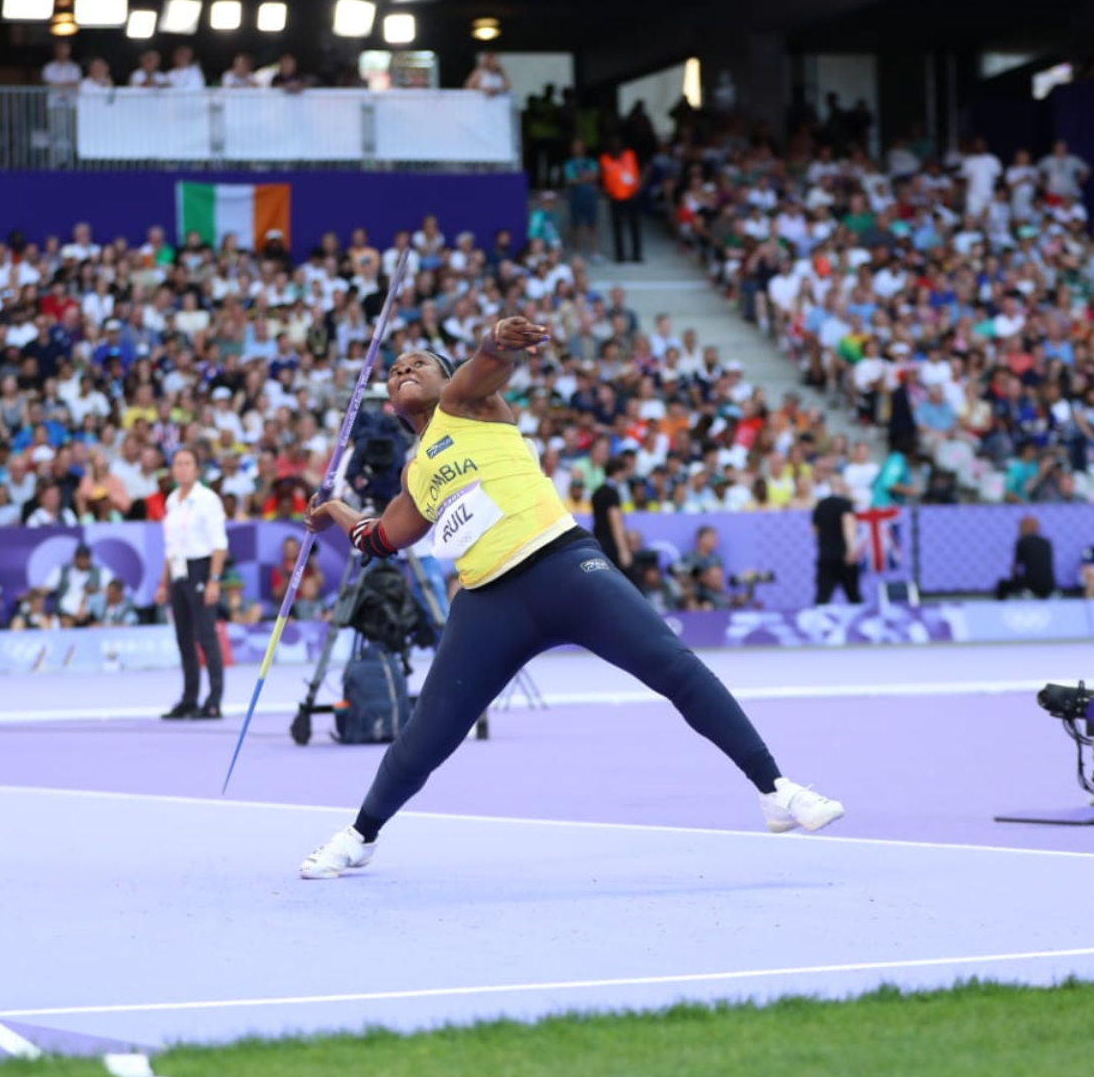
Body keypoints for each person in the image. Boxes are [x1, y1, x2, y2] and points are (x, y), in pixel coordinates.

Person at [297, 317, 843, 880]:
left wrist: (496, 341)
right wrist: (332, 511)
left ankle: (774, 789)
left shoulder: (468, 403)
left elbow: (490, 360)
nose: (405, 369)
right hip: (489, 604)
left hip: (566, 567)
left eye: (419, 363)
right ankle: (360, 836)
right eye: (395, 370)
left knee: (674, 667)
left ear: (445, 376)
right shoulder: (416, 474)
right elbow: (380, 538)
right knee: (427, 735)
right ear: (390, 403)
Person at [158, 446, 228, 720]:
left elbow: (219, 544)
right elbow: (170, 546)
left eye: (187, 463)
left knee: (206, 636)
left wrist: (213, 579)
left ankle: (213, 700)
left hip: (201, 568)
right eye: (177, 463)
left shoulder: (207, 499)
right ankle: (189, 697)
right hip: (178, 569)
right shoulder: (172, 500)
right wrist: (163, 583)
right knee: (183, 637)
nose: (182, 468)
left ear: (196, 469)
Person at [811, 474, 860, 604]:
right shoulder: (845, 505)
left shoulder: (820, 505)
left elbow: (815, 530)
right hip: (844, 555)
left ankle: (816, 622)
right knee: (853, 595)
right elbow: (848, 524)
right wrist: (851, 549)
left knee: (822, 596)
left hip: (825, 556)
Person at [590, 453, 633, 574]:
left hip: (598, 541)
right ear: (617, 472)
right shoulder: (612, 493)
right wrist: (623, 550)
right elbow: (615, 521)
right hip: (610, 543)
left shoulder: (597, 492)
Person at [997, 515, 1056, 600]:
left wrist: (1016, 579)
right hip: (1049, 586)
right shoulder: (1047, 543)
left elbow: (1016, 567)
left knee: (1002, 584)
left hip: (1030, 585)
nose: (1019, 529)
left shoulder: (1022, 541)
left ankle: (999, 609)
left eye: (1021, 526)